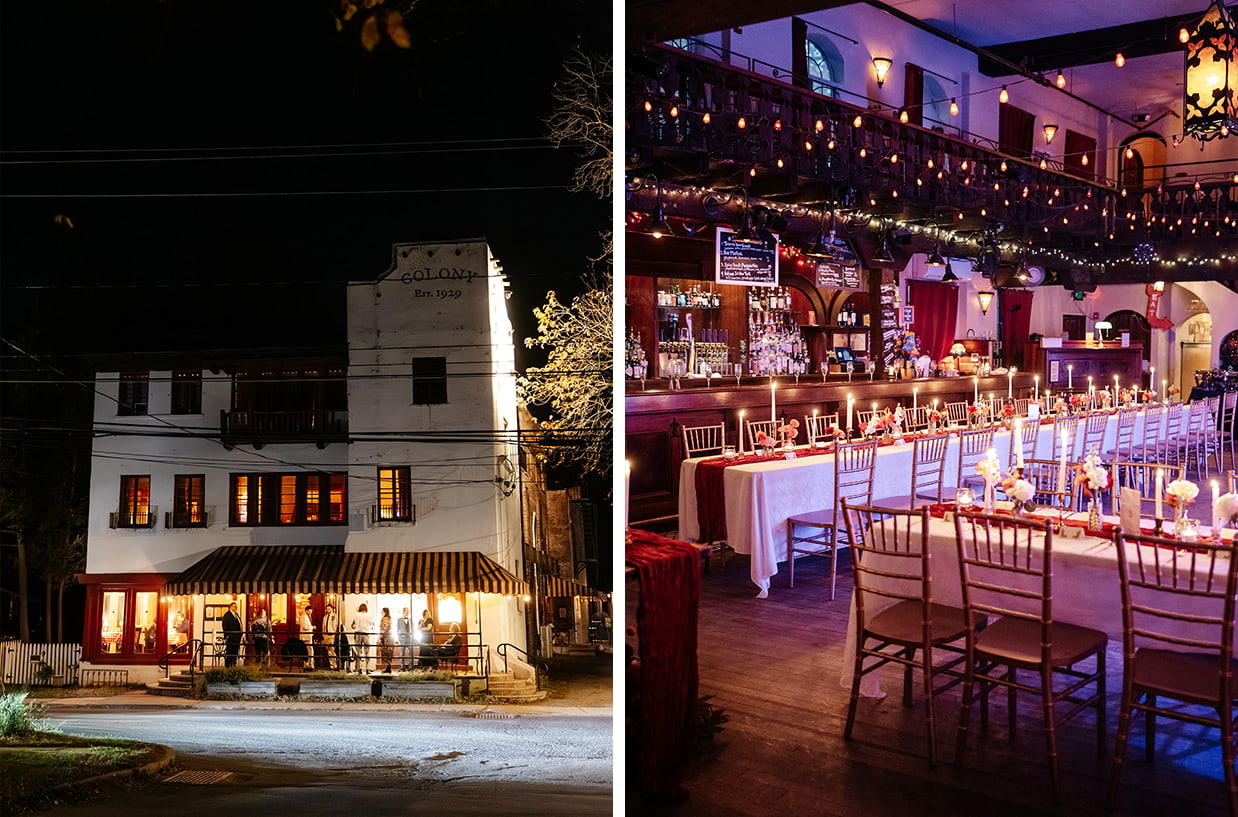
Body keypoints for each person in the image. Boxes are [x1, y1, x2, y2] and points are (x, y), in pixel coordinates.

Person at [350, 603, 374, 673]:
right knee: (367, 651)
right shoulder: (369, 615)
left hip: (358, 634)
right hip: (366, 634)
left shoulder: (356, 615)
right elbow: (372, 625)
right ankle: (367, 668)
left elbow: (353, 625)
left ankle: (359, 668)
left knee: (358, 651)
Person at [221, 602, 242, 667]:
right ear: (230, 607)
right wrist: (229, 635)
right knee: (230, 651)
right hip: (231, 638)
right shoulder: (227, 615)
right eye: (234, 607)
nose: (235, 608)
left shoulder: (236, 615)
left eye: (236, 607)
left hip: (237, 638)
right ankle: (228, 665)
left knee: (235, 652)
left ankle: (233, 664)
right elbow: (225, 626)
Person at [378, 607, 395, 673]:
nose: (381, 612)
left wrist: (379, 638)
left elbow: (383, 629)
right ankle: (388, 668)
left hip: (386, 638)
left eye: (382, 611)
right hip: (390, 637)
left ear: (384, 612)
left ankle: (388, 668)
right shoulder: (389, 619)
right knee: (388, 653)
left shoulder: (384, 619)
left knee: (385, 652)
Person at [323, 603, 340, 669]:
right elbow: (323, 626)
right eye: (327, 609)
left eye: (329, 609)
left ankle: (335, 664)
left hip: (332, 634)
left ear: (332, 609)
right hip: (326, 635)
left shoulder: (335, 616)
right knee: (328, 651)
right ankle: (331, 665)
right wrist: (323, 634)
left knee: (333, 650)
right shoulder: (325, 617)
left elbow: (338, 625)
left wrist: (336, 633)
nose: (328, 610)